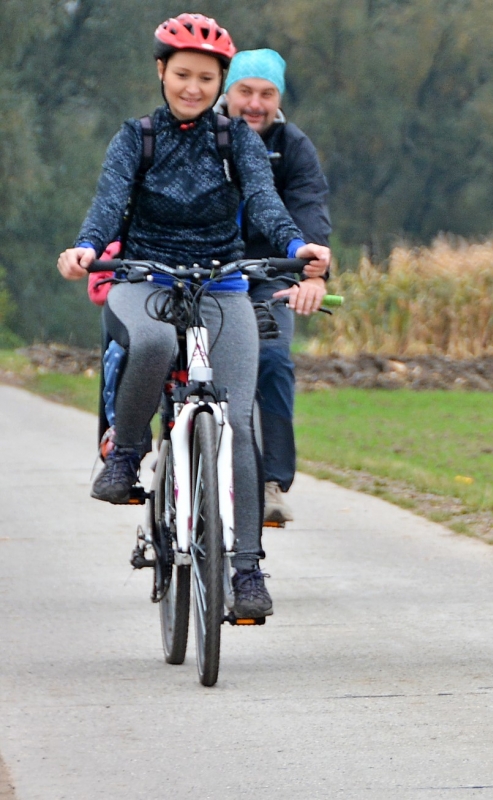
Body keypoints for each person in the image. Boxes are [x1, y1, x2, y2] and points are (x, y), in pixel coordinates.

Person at [55, 13, 331, 618]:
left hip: (220, 282)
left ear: (220, 83)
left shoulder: (238, 141)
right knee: (151, 345)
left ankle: (247, 571)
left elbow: (265, 201)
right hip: (144, 276)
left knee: (237, 423)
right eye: (182, 75)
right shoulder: (137, 137)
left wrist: (296, 249)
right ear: (161, 72)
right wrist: (85, 247)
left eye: (206, 79)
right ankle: (126, 454)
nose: (192, 88)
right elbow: (108, 203)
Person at [218, 48, 332, 525]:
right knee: (175, 355)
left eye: (267, 94)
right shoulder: (201, 135)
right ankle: (172, 444)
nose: (255, 104)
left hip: (269, 275)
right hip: (204, 271)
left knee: (272, 358)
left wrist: (314, 275)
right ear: (227, 93)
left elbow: (309, 210)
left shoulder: (294, 146)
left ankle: (271, 482)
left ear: (279, 98)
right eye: (245, 91)